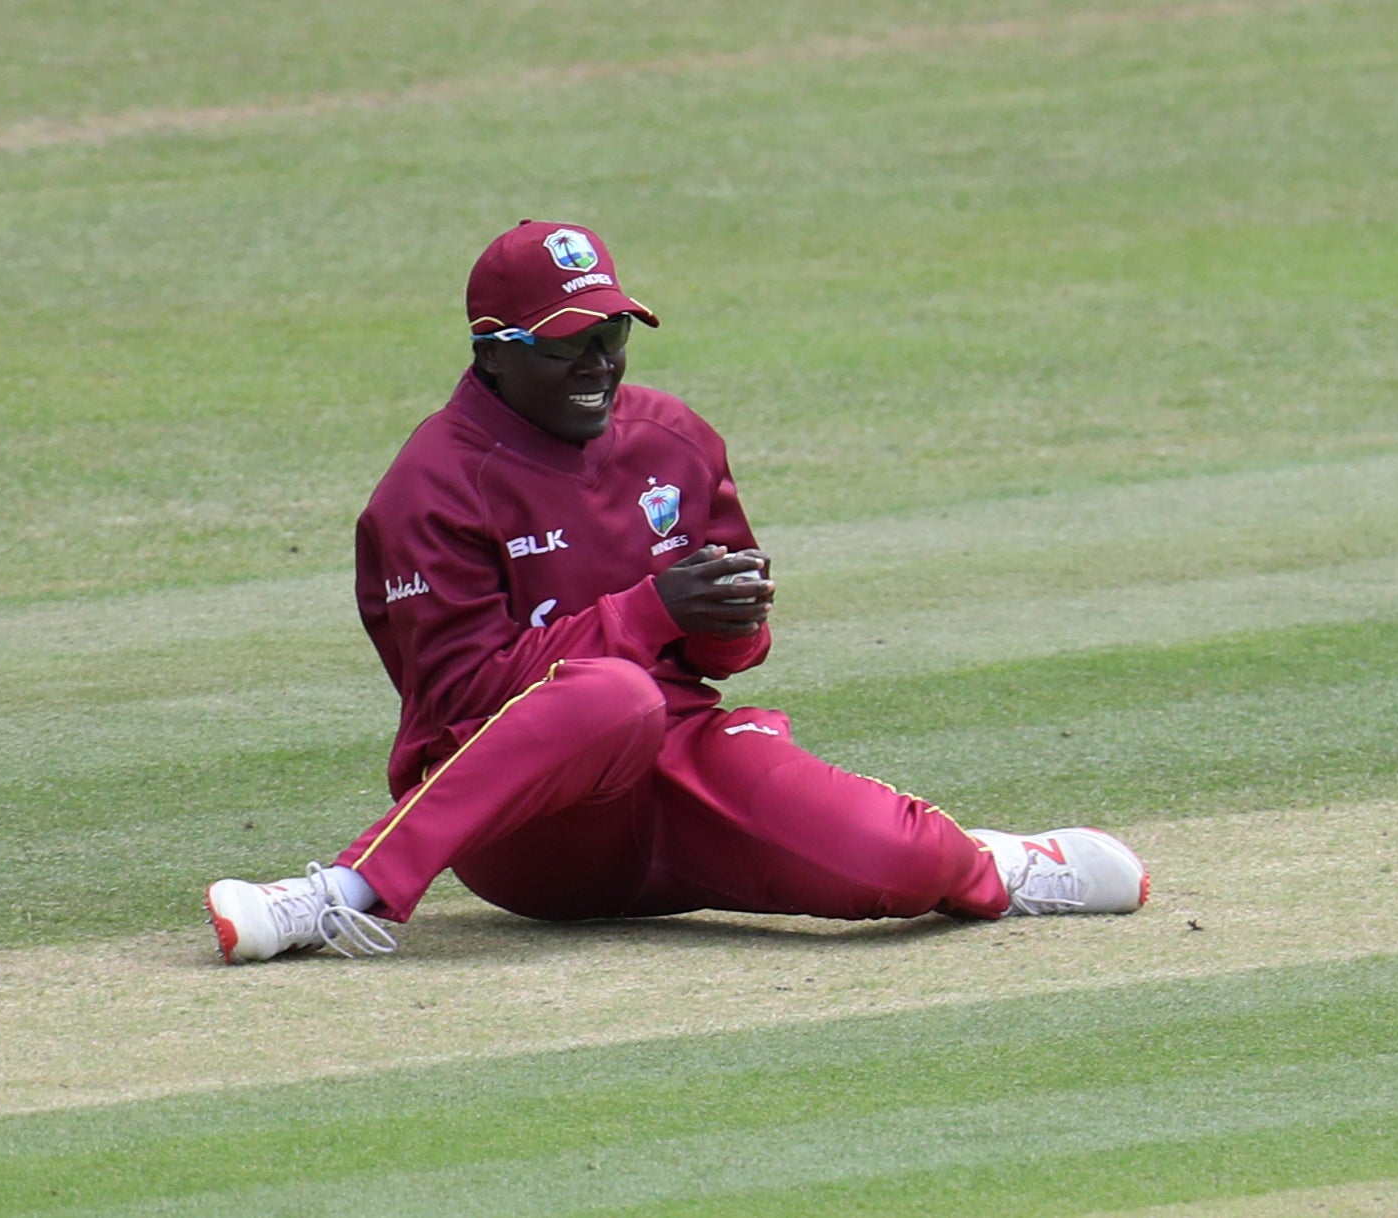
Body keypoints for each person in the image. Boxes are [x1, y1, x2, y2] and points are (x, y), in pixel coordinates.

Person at [204, 220, 1148, 962]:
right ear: (492, 352)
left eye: (612, 332)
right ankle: (341, 896)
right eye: (567, 343)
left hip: (681, 765)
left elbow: (730, 658)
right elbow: (460, 707)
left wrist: (728, 626)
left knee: (895, 864)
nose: (600, 363)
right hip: (527, 828)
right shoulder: (429, 488)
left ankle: (1004, 866)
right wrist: (651, 612)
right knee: (611, 695)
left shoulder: (672, 440)